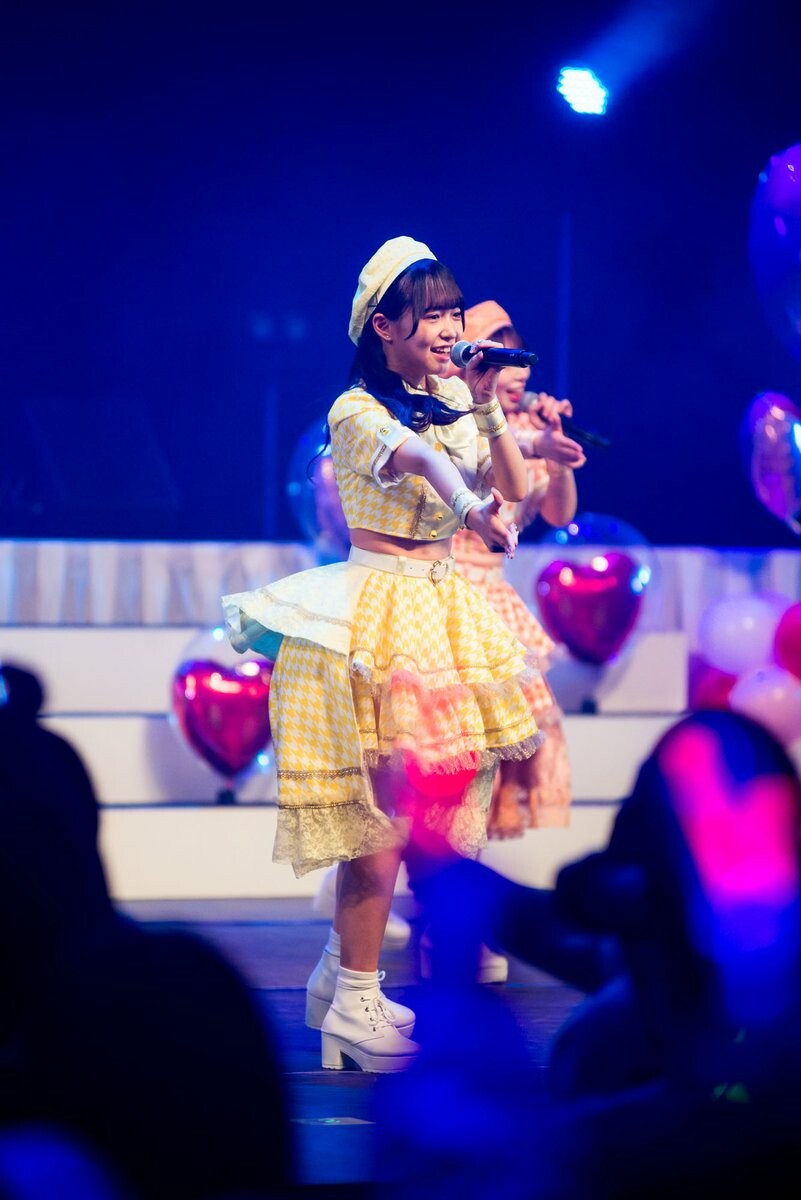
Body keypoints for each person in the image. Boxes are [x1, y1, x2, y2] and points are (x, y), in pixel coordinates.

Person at [222, 235, 543, 1073]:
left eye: (452, 312)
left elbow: (512, 485)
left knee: (437, 809)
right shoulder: (355, 410)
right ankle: (355, 1005)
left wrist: (485, 406)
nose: (448, 328)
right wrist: (470, 510)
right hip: (377, 611)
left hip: (441, 608)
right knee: (380, 818)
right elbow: (423, 460)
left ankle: (342, 976)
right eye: (431, 315)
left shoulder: (452, 396)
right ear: (383, 325)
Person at [449, 300, 586, 843]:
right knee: (453, 744)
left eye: (521, 362)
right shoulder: (453, 417)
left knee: (497, 750)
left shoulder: (529, 426)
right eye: (505, 361)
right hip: (450, 592)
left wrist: (555, 448)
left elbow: (559, 514)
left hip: (496, 597)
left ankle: (459, 883)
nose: (519, 375)